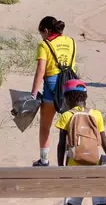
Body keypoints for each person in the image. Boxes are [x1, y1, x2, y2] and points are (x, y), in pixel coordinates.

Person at [55, 79, 106, 205]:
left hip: (74, 164)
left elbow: (61, 145)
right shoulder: (96, 114)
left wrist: (61, 167)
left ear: (67, 98)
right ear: (85, 97)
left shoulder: (66, 116)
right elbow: (104, 141)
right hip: (95, 163)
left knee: (73, 199)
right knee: (99, 199)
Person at [30, 16, 77, 167]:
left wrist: (33, 93)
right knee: (72, 125)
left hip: (51, 85)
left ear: (46, 31)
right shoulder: (71, 41)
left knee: (45, 126)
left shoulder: (44, 45)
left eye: (41, 33)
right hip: (70, 84)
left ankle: (44, 160)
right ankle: (74, 158)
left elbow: (41, 71)